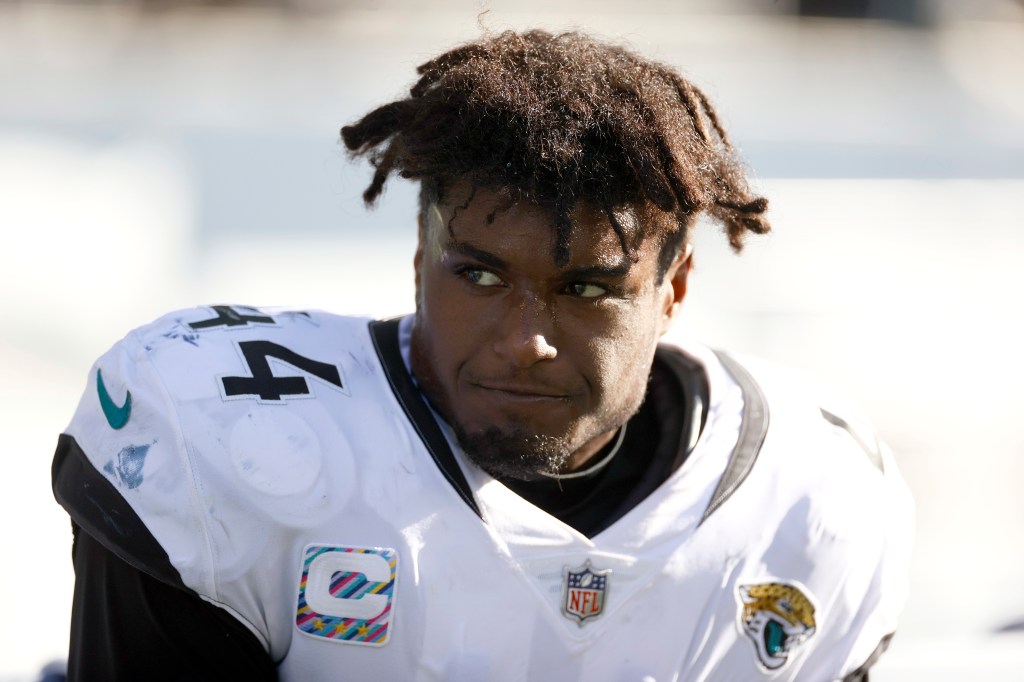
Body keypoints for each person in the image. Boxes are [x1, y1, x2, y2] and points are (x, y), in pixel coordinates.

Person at [51, 29, 913, 681]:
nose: (526, 340)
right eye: (482, 274)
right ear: (421, 262)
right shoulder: (218, 433)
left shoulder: (810, 496)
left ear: (672, 290)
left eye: (587, 289)